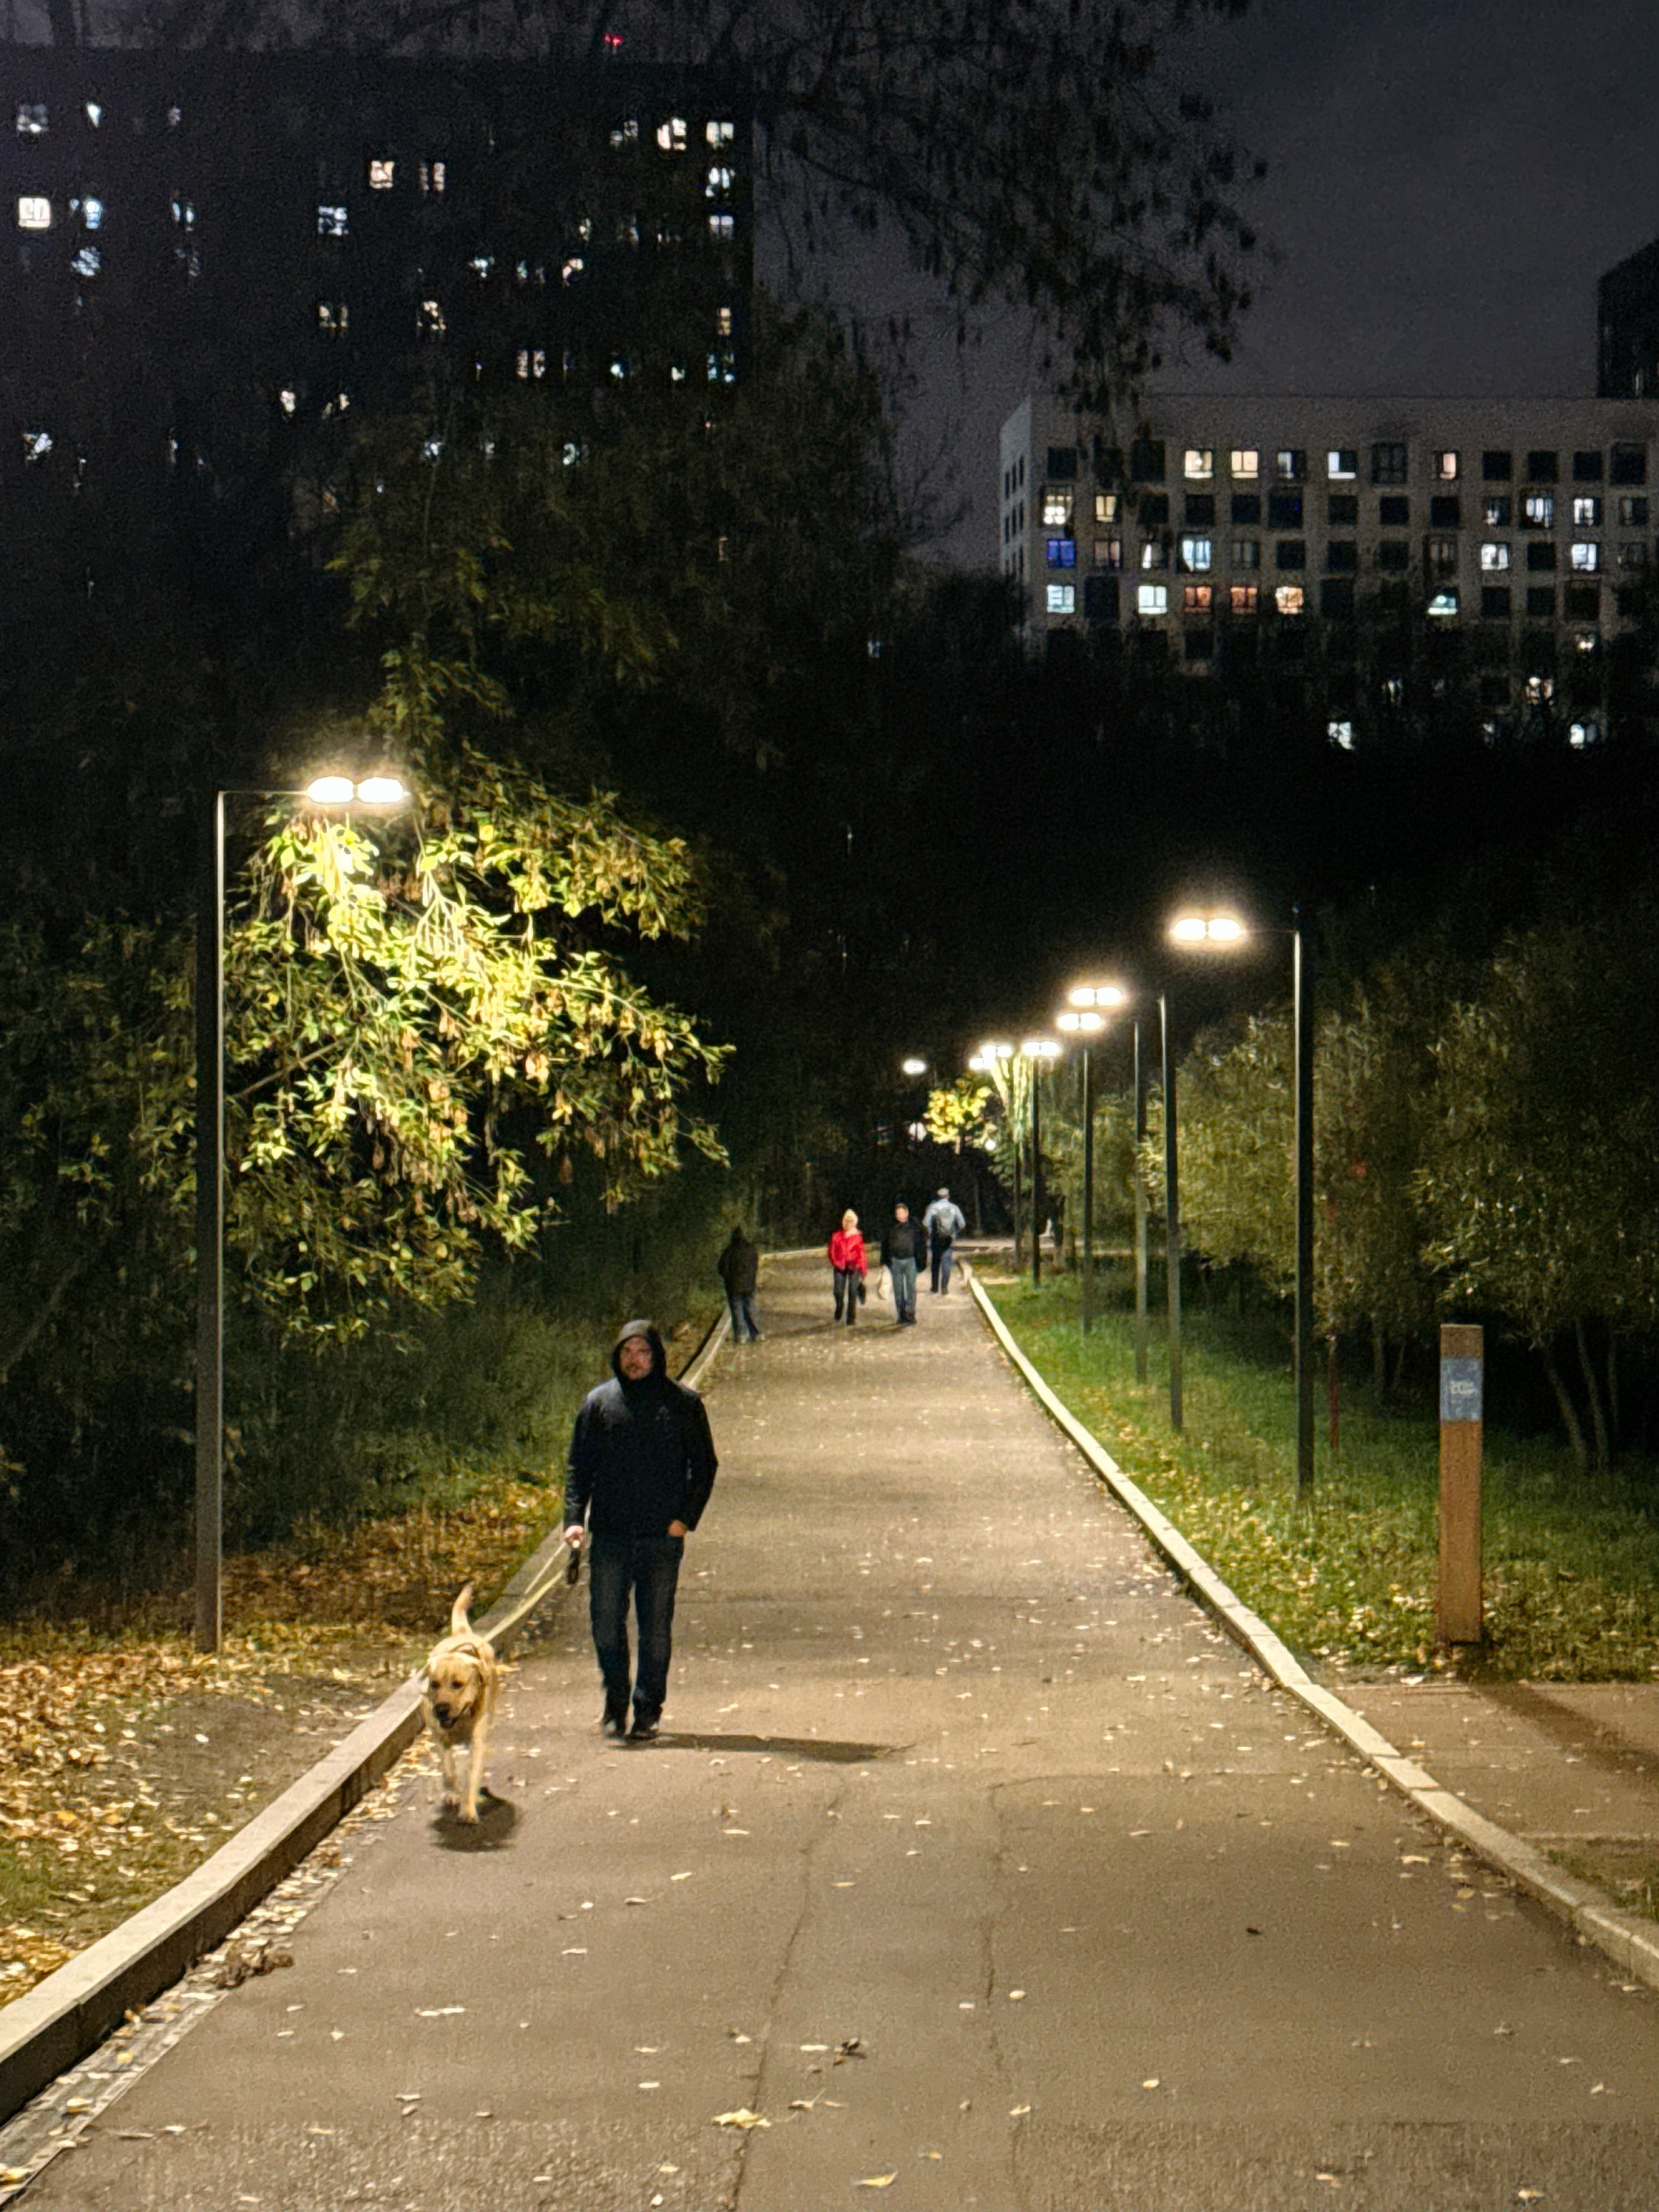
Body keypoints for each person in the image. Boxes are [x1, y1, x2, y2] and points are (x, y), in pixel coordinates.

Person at [563, 1320, 718, 1742]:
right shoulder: (599, 1404)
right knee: (606, 1623)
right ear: (618, 1355)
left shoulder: (683, 1404)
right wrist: (574, 1519)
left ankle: (647, 1709)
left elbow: (704, 1467)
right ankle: (615, 1699)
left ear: (657, 1355)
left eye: (643, 1352)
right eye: (628, 1351)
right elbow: (580, 1466)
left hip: (661, 1537)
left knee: (655, 1627)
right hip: (610, 1534)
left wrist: (684, 1518)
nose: (635, 1360)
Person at [881, 1200, 927, 1325]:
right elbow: (885, 1244)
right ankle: (901, 1314)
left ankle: (910, 1313)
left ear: (907, 1213)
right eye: (898, 1213)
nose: (900, 1215)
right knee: (898, 1289)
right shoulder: (891, 1228)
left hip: (911, 1260)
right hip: (895, 1261)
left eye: (902, 1212)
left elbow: (922, 1244)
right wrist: (885, 1261)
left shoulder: (915, 1227)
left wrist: (922, 1261)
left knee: (911, 1288)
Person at [716, 1224, 761, 1342]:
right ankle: (756, 1333)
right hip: (750, 1285)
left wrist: (728, 1278)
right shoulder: (751, 1249)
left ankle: (741, 1334)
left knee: (737, 1309)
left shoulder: (730, 1250)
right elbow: (755, 1265)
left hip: (734, 1285)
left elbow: (722, 1267)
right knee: (751, 1307)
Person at [924, 1186, 967, 1294]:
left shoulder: (932, 1208)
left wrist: (931, 1233)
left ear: (938, 1197)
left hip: (936, 1239)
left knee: (935, 1262)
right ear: (948, 1196)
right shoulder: (954, 1208)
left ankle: (934, 1288)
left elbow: (925, 1223)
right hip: (949, 1239)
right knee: (947, 1262)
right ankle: (944, 1288)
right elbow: (962, 1224)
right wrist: (955, 1232)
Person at [828, 1208, 867, 1326]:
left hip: (854, 1267)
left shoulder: (857, 1237)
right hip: (840, 1266)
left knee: (852, 1292)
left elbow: (861, 1254)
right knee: (838, 1291)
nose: (848, 1224)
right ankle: (839, 1307)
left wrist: (863, 1270)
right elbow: (831, 1252)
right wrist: (836, 1263)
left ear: (854, 1223)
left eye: (850, 1221)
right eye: (846, 1221)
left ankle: (851, 1318)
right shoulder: (836, 1236)